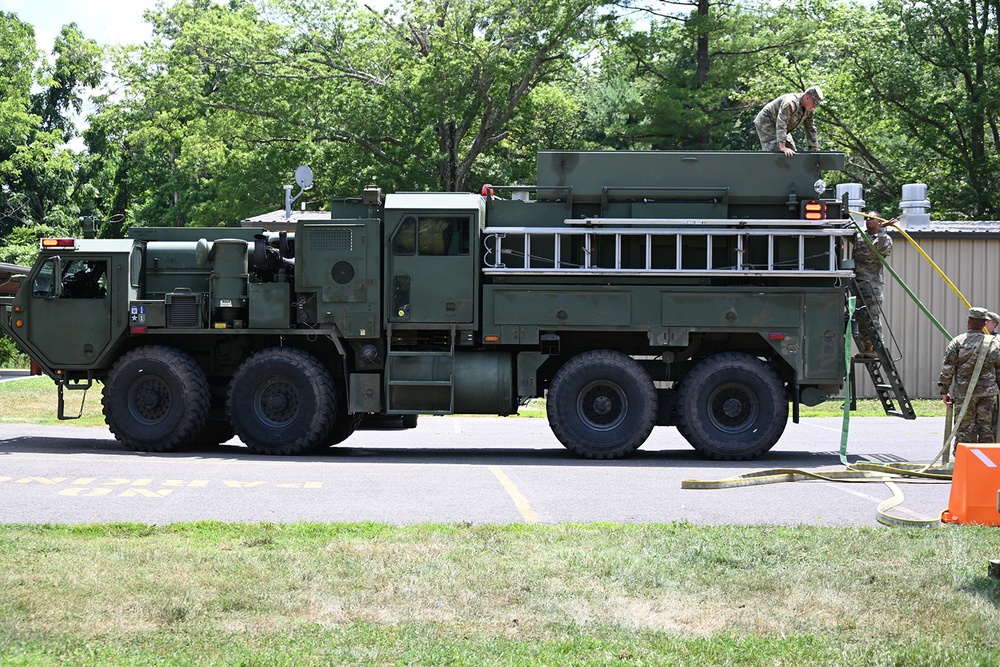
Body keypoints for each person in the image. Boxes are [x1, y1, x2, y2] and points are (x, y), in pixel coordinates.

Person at [938, 306, 1000, 444]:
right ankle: (986, 461)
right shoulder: (994, 343)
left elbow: (948, 368)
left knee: (964, 429)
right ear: (985, 324)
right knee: (986, 428)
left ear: (969, 322)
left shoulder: (958, 342)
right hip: (988, 394)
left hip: (964, 394)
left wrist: (944, 391)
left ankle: (965, 461)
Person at [854, 212, 894, 356]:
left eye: (872, 218)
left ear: (879, 222)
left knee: (872, 316)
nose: (868, 220)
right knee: (860, 316)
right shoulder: (859, 236)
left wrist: (882, 230)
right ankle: (868, 348)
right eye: (866, 218)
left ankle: (878, 348)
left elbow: (882, 250)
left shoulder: (884, 238)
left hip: (872, 283)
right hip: (858, 282)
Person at [754, 86, 824, 157]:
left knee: (792, 152)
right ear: (807, 98)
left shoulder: (809, 109)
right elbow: (782, 122)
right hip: (767, 121)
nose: (815, 106)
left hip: (781, 126)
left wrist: (814, 148)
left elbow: (810, 127)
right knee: (776, 152)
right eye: (814, 103)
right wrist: (782, 147)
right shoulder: (790, 103)